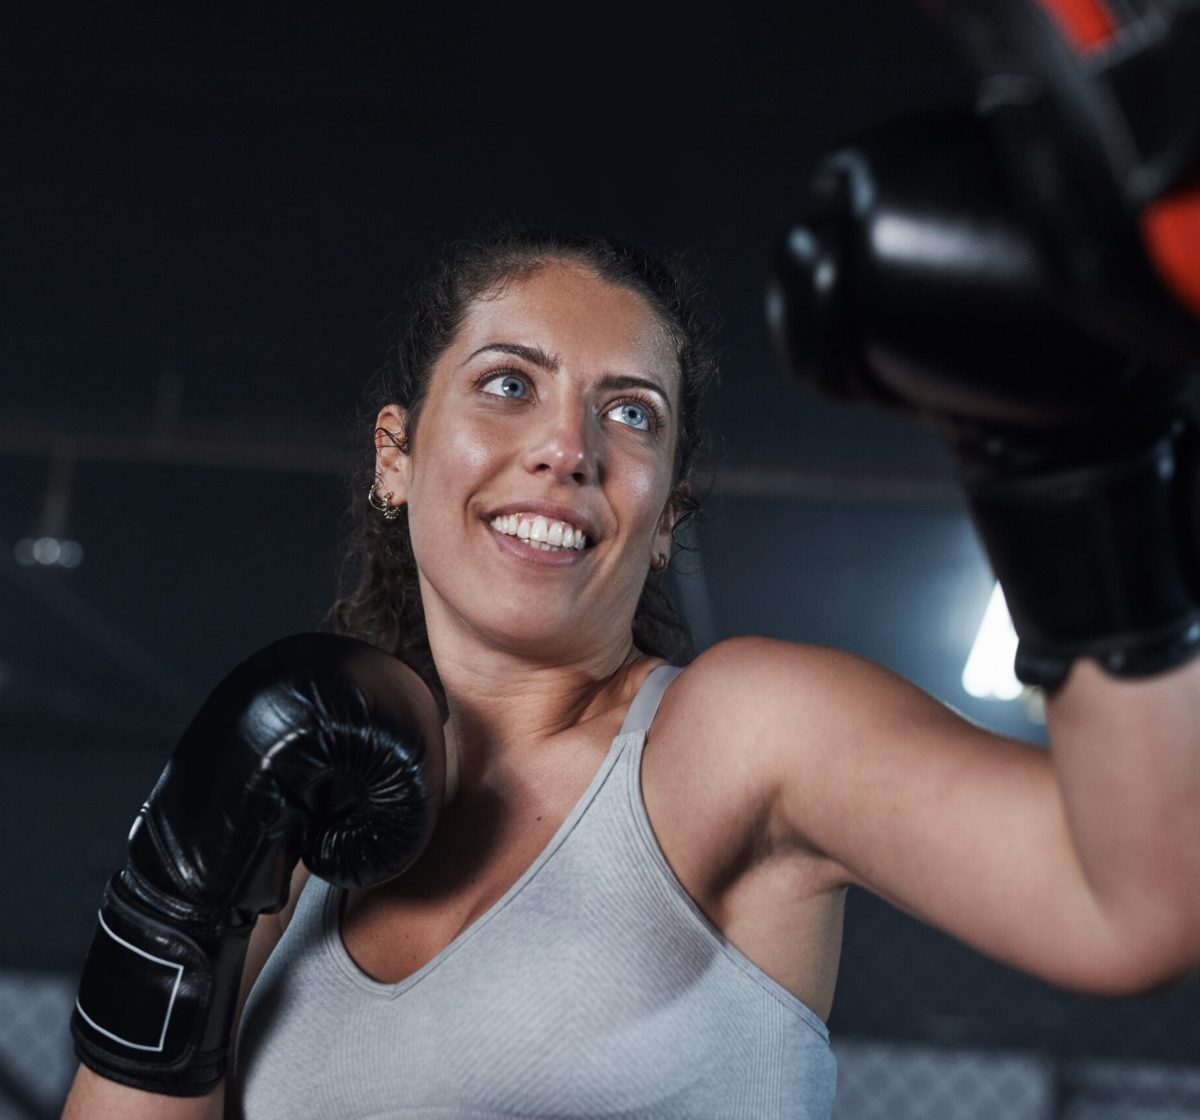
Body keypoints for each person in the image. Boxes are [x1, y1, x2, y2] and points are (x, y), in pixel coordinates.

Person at [62, 226, 1200, 1119]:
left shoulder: (737, 737)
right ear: (395, 456)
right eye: (510, 384)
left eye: (631, 412)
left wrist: (1070, 450)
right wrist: (176, 910)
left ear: (664, 519)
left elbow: (1134, 904)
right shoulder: (301, 824)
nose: (570, 447)